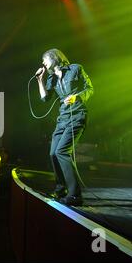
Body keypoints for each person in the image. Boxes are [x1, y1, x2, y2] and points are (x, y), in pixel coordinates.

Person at [36, 48, 93, 206]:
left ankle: (75, 195)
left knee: (62, 151)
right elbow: (45, 99)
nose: (43, 63)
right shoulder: (51, 78)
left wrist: (77, 97)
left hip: (77, 115)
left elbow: (90, 88)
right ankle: (60, 190)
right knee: (53, 153)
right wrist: (40, 80)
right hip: (63, 119)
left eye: (45, 59)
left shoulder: (76, 69)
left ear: (54, 58)